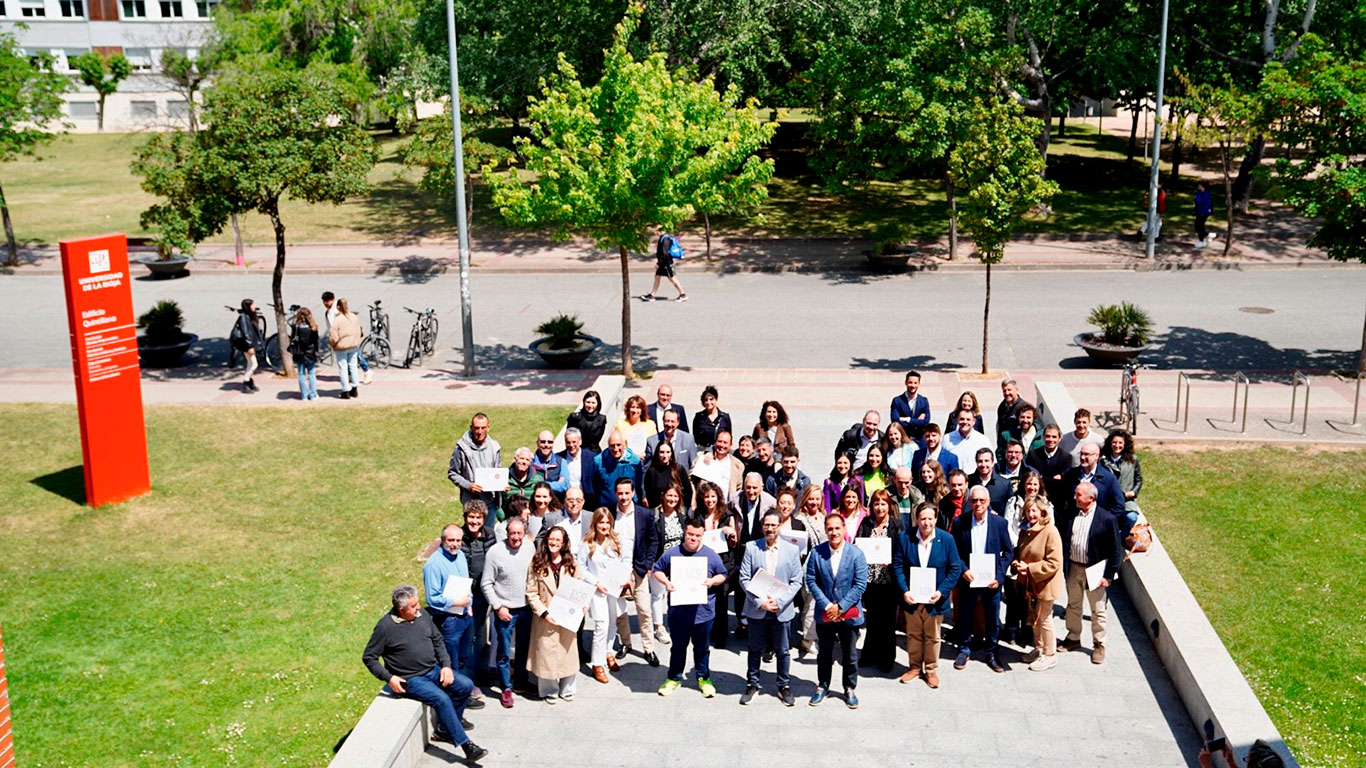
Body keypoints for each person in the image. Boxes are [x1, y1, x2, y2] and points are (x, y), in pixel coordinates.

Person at [362, 585, 487, 761]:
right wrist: (389, 678)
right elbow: (369, 657)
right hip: (411, 679)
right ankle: (466, 745)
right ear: (401, 609)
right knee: (441, 699)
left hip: (433, 670)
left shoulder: (423, 616)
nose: (418, 608)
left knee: (465, 686)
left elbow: (437, 640)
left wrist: (445, 666)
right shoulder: (385, 627)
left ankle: (446, 729)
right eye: (413, 606)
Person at [652, 518, 728, 697]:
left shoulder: (710, 554)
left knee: (702, 649)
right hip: (678, 613)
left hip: (703, 613)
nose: (693, 539)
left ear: (703, 535)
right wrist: (667, 582)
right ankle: (674, 677)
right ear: (684, 533)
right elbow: (657, 569)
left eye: (698, 535)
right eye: (690, 535)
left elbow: (723, 574)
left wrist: (712, 581)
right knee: (678, 647)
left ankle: (704, 678)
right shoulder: (673, 553)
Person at [893, 502, 963, 688]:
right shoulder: (904, 537)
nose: (926, 523)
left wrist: (942, 591)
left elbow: (955, 568)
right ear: (916, 519)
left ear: (935, 519)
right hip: (912, 598)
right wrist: (905, 591)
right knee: (913, 634)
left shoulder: (946, 539)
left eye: (930, 519)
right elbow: (898, 566)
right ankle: (915, 667)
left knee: (932, 636)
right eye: (922, 518)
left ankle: (931, 670)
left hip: (935, 598)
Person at [738, 509, 804, 706]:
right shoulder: (752, 547)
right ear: (762, 526)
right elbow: (744, 578)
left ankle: (784, 685)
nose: (770, 528)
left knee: (783, 650)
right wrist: (760, 602)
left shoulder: (791, 550)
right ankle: (752, 683)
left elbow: (796, 581)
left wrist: (780, 602)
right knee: (755, 648)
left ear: (780, 526)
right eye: (766, 524)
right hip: (758, 608)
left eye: (773, 525)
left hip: (781, 609)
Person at [804, 513, 867, 708]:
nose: (834, 532)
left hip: (848, 614)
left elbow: (860, 584)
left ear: (844, 529)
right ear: (825, 530)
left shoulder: (856, 553)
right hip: (825, 613)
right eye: (830, 529)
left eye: (837, 528)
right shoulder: (817, 553)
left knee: (849, 655)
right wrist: (828, 606)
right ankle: (823, 686)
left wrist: (841, 607)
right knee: (824, 653)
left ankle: (849, 687)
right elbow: (811, 581)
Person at [1057, 482, 1123, 664]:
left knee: (1098, 609)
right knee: (1073, 605)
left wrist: (1108, 576)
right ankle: (1073, 637)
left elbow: (1115, 550)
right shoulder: (1071, 514)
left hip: (1095, 571)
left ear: (1091, 498)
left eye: (1078, 495)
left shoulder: (1107, 519)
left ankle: (1099, 644)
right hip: (1074, 567)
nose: (1074, 497)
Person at [951, 487, 1013, 673]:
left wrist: (999, 576)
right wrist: (963, 569)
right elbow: (954, 551)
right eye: (974, 500)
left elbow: (1008, 551)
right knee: (965, 615)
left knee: (992, 618)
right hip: (969, 579)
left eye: (982, 501)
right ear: (969, 502)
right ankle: (964, 649)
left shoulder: (999, 523)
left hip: (991, 581)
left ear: (988, 501)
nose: (978, 504)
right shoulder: (960, 522)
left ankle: (992, 652)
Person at [524, 526, 582, 703]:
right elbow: (531, 593)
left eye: (558, 540)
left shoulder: (571, 563)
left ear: (563, 543)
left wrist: (581, 605)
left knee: (568, 652)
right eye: (551, 539)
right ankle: (549, 690)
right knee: (547, 654)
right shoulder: (537, 562)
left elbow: (578, 588)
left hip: (567, 617)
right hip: (546, 618)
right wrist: (543, 612)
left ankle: (568, 688)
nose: (554, 543)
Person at [480, 516, 534, 706]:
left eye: (519, 533)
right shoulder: (495, 552)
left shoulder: (529, 547)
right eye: (513, 533)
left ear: (524, 533)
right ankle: (506, 688)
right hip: (505, 609)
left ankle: (520, 680)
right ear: (507, 533)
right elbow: (486, 583)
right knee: (503, 651)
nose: (516, 537)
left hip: (526, 608)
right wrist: (498, 606)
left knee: (523, 648)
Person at [610, 477, 661, 666]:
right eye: (620, 493)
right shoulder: (609, 513)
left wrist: (648, 564)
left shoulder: (644, 514)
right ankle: (625, 643)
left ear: (633, 493)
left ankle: (649, 648)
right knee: (620, 611)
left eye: (627, 493)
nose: (623, 497)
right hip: (616, 570)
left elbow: (653, 540)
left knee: (644, 610)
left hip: (638, 569)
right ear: (616, 494)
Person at [1012, 496, 1063, 671]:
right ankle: (1040, 648)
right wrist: (1017, 563)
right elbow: (1020, 552)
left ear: (1042, 511)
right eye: (1028, 511)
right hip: (1030, 584)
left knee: (1045, 619)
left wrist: (1030, 568)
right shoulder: (1025, 530)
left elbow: (1054, 562)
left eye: (1034, 510)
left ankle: (1050, 655)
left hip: (1045, 584)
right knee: (1034, 618)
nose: (1031, 514)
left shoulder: (1050, 531)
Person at [855, 489, 903, 674]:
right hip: (870, 580)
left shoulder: (896, 526)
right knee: (873, 619)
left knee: (888, 622)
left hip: (889, 580)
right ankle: (869, 655)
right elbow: (859, 546)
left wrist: (890, 559)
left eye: (883, 504)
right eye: (876, 504)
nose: (880, 507)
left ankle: (887, 658)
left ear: (889, 506)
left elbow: (901, 550)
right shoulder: (866, 524)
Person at [424, 524, 475, 692]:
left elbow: (466, 583)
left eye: (458, 540)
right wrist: (456, 602)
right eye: (451, 540)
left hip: (465, 616)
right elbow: (432, 598)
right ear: (443, 540)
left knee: (463, 658)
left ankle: (463, 692)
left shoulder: (460, 556)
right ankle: (455, 695)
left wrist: (469, 605)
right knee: (451, 662)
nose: (455, 544)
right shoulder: (434, 564)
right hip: (448, 620)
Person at [583, 508, 628, 683]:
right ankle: (597, 664)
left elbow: (624, 562)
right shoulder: (587, 543)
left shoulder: (616, 541)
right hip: (597, 590)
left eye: (607, 522)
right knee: (601, 625)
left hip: (614, 589)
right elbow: (581, 567)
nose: (604, 526)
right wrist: (595, 583)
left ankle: (608, 651)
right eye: (601, 522)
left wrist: (625, 578)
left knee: (612, 622)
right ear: (595, 524)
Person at [695, 480, 741, 648]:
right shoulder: (697, 514)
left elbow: (734, 541)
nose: (710, 500)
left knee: (721, 600)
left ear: (718, 497)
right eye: (706, 497)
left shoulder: (726, 515)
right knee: (705, 600)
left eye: (713, 496)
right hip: (703, 562)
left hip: (723, 563)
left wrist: (730, 533)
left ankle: (721, 635)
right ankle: (706, 633)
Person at [459, 502, 497, 693]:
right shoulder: (459, 536)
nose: (474, 521)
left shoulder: (490, 535)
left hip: (483, 594)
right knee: (469, 636)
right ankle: (469, 678)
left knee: (481, 634)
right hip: (465, 595)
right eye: (471, 517)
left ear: (483, 518)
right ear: (465, 517)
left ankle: (481, 671)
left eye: (478, 517)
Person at [650, 483, 689, 645]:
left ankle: (676, 623)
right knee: (658, 594)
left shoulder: (682, 514)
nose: (672, 499)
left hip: (678, 561)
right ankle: (659, 626)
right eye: (669, 495)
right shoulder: (655, 515)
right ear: (663, 495)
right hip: (659, 561)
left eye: (675, 496)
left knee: (676, 594)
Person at [792, 485, 828, 655]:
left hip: (824, 564)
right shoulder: (800, 519)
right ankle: (808, 639)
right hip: (809, 566)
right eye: (811, 498)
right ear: (805, 499)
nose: (814, 502)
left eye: (817, 498)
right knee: (811, 603)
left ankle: (813, 633)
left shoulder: (823, 516)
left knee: (815, 603)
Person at [448, 413, 503, 511]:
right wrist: (468, 485)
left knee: (489, 527)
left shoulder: (495, 447)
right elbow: (452, 473)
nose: (480, 431)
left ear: (488, 427)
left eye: (483, 428)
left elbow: (497, 472)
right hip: (471, 502)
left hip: (490, 501)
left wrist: (501, 484)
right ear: (471, 427)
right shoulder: (462, 448)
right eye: (477, 428)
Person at [1061, 442, 1126, 522]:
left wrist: (1104, 521)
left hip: (1097, 526)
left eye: (1086, 454)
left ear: (1096, 456)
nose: (1082, 457)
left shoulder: (1108, 478)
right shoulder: (1070, 475)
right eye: (1081, 454)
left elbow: (1119, 506)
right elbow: (1061, 500)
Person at [321, 291, 371, 385]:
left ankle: (367, 371)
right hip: (342, 338)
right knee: (351, 358)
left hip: (345, 337)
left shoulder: (336, 310)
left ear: (332, 300)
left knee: (356, 356)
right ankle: (352, 375)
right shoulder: (330, 310)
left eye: (327, 301)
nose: (325, 303)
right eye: (324, 301)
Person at [1101, 428, 1144, 533]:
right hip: (1109, 501)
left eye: (1120, 443)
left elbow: (1138, 479)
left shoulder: (1133, 460)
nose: (1117, 445)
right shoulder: (1103, 461)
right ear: (1110, 443)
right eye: (1114, 442)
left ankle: (1120, 540)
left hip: (1127, 501)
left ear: (1125, 444)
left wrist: (1133, 492)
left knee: (1132, 517)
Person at [589, 430, 643, 508]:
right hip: (607, 509)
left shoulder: (634, 461)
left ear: (624, 444)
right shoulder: (598, 461)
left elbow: (639, 485)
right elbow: (593, 486)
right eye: (612, 445)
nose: (615, 449)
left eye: (618, 445)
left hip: (629, 507)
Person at [1027, 423, 1071, 509]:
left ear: (1060, 438)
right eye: (1048, 436)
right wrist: (1052, 479)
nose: (1050, 440)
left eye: (1054, 437)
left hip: (1057, 502)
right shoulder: (1033, 455)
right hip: (1036, 501)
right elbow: (1030, 476)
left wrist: (1042, 478)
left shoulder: (1066, 458)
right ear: (1043, 437)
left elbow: (1063, 482)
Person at [327, 298, 363, 400]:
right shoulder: (353, 317)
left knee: (343, 368)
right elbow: (359, 331)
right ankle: (355, 388)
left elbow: (333, 336)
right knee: (353, 366)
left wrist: (332, 344)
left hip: (342, 346)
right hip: (353, 345)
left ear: (338, 307)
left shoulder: (337, 320)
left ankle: (345, 390)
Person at [691, 430, 744, 498]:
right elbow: (691, 481)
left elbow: (738, 490)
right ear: (715, 442)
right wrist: (694, 501)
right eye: (719, 441)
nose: (722, 445)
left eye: (725, 442)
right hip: (705, 505)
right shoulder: (702, 459)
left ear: (731, 445)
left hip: (727, 506)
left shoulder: (738, 465)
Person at [643, 439, 693, 510]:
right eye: (662, 452)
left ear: (671, 453)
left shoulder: (679, 469)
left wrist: (684, 510)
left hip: (678, 511)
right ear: (657, 453)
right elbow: (649, 495)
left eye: (668, 452)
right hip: (659, 512)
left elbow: (688, 492)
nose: (665, 455)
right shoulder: (652, 472)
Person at [730, 471, 776, 544]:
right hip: (740, 546)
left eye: (755, 488)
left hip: (761, 546)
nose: (751, 492)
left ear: (762, 488)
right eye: (748, 487)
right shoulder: (735, 499)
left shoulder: (770, 503)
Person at [641, 231, 687, 302]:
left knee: (672, 279)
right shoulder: (662, 238)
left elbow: (665, 253)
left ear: (664, 231)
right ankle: (652, 295)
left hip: (666, 263)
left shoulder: (666, 239)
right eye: (657, 230)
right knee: (657, 277)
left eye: (659, 230)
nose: (657, 232)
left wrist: (658, 263)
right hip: (663, 263)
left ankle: (682, 294)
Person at [230, 299, 263, 393]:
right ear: (248, 306)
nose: (254, 306)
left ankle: (249, 382)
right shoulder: (244, 317)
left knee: (250, 363)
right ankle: (246, 382)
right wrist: (250, 346)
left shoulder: (250, 316)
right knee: (254, 364)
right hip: (246, 345)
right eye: (253, 305)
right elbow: (246, 333)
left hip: (249, 344)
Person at [288, 306, 320, 400]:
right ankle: (313, 394)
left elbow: (293, 339)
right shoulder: (313, 327)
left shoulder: (296, 326)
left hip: (299, 352)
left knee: (301, 374)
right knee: (311, 373)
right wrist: (316, 349)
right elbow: (315, 340)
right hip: (310, 351)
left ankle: (304, 395)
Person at [502, 448, 544, 520]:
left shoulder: (538, 480)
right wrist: (504, 519)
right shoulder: (504, 478)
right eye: (522, 458)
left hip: (532, 519)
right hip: (510, 520)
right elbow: (497, 504)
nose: (524, 462)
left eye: (527, 460)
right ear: (515, 459)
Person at [889, 370, 932, 439]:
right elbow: (895, 421)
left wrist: (908, 420)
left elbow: (926, 422)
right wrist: (918, 422)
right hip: (903, 438)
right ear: (906, 383)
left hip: (920, 439)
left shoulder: (924, 401)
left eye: (915, 383)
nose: (913, 385)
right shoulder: (897, 401)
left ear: (919, 384)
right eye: (910, 382)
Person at [968, 448, 1012, 514]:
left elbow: (1009, 510)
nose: (983, 464)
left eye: (986, 461)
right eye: (980, 461)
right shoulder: (968, 481)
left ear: (992, 462)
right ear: (976, 463)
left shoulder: (1005, 484)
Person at [556, 427, 597, 496]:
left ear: (580, 441)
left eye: (574, 442)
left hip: (586, 499)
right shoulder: (558, 458)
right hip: (564, 499)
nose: (571, 445)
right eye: (568, 442)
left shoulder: (591, 458)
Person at [691, 385, 732, 450]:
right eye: (706, 400)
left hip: (720, 451)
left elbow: (729, 437)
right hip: (703, 451)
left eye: (711, 399)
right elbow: (695, 437)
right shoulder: (698, 417)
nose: (708, 402)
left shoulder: (724, 417)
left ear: (716, 399)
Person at [995, 379, 1031, 452]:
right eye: (1004, 391)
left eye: (1009, 390)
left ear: (1017, 390)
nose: (1007, 393)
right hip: (1004, 445)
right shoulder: (1002, 407)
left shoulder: (1023, 407)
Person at [1194, 181, 1217, 248]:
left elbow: (1198, 200)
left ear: (1203, 187)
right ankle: (1208, 235)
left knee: (1200, 226)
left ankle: (1201, 241)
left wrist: (1199, 193)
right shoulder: (1201, 192)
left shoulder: (1205, 194)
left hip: (1204, 212)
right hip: (1199, 211)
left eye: (1200, 186)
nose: (1198, 188)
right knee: (1197, 226)